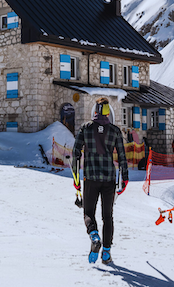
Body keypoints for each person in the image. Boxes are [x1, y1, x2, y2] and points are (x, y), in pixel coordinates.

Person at [73, 97, 129, 264]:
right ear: (107, 112)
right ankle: (106, 252)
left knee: (88, 212)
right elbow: (122, 156)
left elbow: (76, 154)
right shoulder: (115, 131)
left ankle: (94, 235)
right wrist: (125, 178)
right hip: (109, 178)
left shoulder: (85, 128)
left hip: (90, 177)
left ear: (95, 110)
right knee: (107, 216)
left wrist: (76, 178)